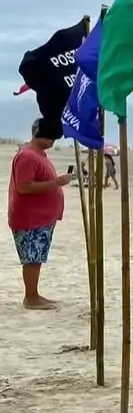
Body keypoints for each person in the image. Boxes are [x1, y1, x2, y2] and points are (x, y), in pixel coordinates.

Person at [8, 118, 69, 309]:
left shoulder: (39, 153)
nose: (53, 142)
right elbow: (24, 187)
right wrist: (56, 183)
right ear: (39, 134)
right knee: (32, 258)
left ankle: (34, 294)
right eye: (50, 138)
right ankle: (31, 297)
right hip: (30, 218)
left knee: (37, 257)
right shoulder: (27, 156)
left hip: (41, 217)